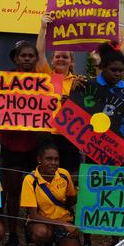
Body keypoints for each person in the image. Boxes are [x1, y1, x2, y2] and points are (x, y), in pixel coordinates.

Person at [0, 41, 51, 246]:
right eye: (24, 56)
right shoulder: (2, 81)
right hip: (11, 143)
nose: (28, 58)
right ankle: (12, 235)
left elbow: (53, 108)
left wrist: (60, 100)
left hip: (34, 143)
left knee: (36, 191)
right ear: (16, 59)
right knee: (12, 192)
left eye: (32, 55)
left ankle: (33, 233)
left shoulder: (46, 82)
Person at [36, 12, 84, 176]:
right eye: (58, 56)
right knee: (48, 174)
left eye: (65, 57)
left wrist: (72, 97)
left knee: (69, 175)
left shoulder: (79, 81)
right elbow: (40, 54)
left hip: (70, 135)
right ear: (52, 60)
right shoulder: (47, 76)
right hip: (49, 134)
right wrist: (43, 27)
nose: (61, 59)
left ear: (71, 61)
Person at [20, 144, 80, 246]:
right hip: (40, 224)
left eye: (56, 159)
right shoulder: (30, 180)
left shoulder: (64, 174)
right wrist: (64, 224)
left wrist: (79, 192)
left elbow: (71, 201)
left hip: (64, 221)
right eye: (49, 159)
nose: (53, 163)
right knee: (42, 233)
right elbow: (34, 216)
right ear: (39, 160)